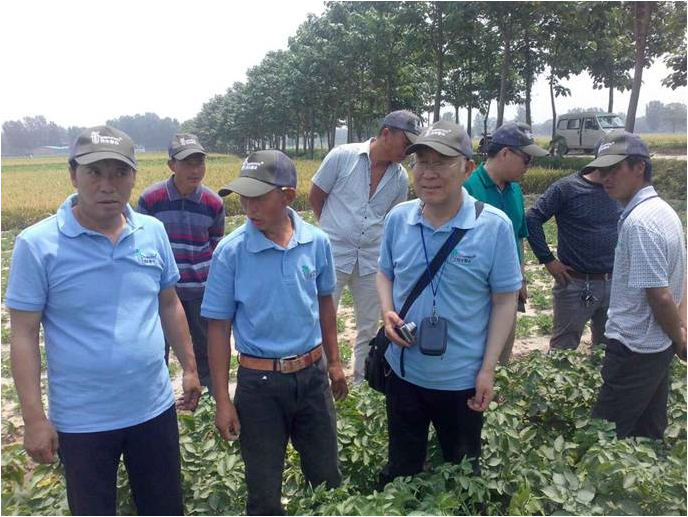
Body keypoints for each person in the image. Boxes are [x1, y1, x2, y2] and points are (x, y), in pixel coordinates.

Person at [6, 126, 201, 515]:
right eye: (94, 172)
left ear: (133, 177)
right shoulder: (38, 244)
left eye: (119, 172)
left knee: (164, 507)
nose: (107, 185)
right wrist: (34, 418)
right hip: (83, 420)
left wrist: (191, 368)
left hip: (153, 408)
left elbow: (169, 304)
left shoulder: (152, 232)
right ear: (72, 175)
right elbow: (23, 334)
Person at [202, 150, 348, 515]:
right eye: (244, 197)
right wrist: (223, 401)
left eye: (258, 197)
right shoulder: (231, 252)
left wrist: (334, 363)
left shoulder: (316, 242)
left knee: (327, 481)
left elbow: (325, 305)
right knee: (264, 493)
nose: (248, 207)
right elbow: (218, 328)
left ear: (287, 196)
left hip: (313, 377)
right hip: (259, 385)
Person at [376, 120, 522, 486]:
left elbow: (505, 301)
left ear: (467, 168)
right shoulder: (398, 219)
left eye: (441, 163)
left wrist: (487, 369)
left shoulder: (494, 226)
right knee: (402, 471)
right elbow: (384, 273)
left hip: (462, 381)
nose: (428, 173)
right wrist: (386, 310)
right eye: (421, 163)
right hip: (404, 373)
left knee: (462, 476)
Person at [309, 110, 422, 384]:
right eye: (405, 143)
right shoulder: (342, 157)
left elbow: (393, 218)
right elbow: (316, 195)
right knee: (322, 319)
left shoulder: (399, 177)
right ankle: (322, 382)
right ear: (386, 133)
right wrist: (332, 229)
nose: (408, 151)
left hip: (372, 258)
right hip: (334, 255)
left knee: (369, 325)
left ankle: (361, 382)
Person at [589, 131, 686, 440]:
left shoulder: (640, 222)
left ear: (639, 167)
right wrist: (678, 331)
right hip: (656, 344)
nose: (605, 177)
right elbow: (679, 277)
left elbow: (660, 296)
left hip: (635, 347)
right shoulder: (663, 211)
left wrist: (681, 339)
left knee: (603, 437)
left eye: (614, 169)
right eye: (602, 170)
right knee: (647, 431)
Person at [138, 133, 225, 389]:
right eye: (187, 163)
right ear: (171, 165)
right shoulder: (151, 199)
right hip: (162, 292)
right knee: (157, 349)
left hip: (200, 291)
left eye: (200, 163)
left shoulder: (213, 203)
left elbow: (215, 244)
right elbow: (141, 244)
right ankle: (160, 398)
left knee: (205, 349)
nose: (195, 170)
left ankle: (209, 397)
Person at [464, 122, 548, 364]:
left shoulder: (515, 191)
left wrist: (520, 276)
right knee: (472, 357)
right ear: (505, 153)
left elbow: (519, 236)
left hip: (507, 292)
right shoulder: (468, 187)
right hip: (475, 293)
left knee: (501, 358)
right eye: (527, 159)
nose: (528, 167)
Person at [526, 156, 622, 351]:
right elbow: (532, 218)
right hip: (576, 283)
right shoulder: (567, 188)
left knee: (609, 349)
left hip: (615, 281)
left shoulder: (622, 190)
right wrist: (548, 259)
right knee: (563, 349)